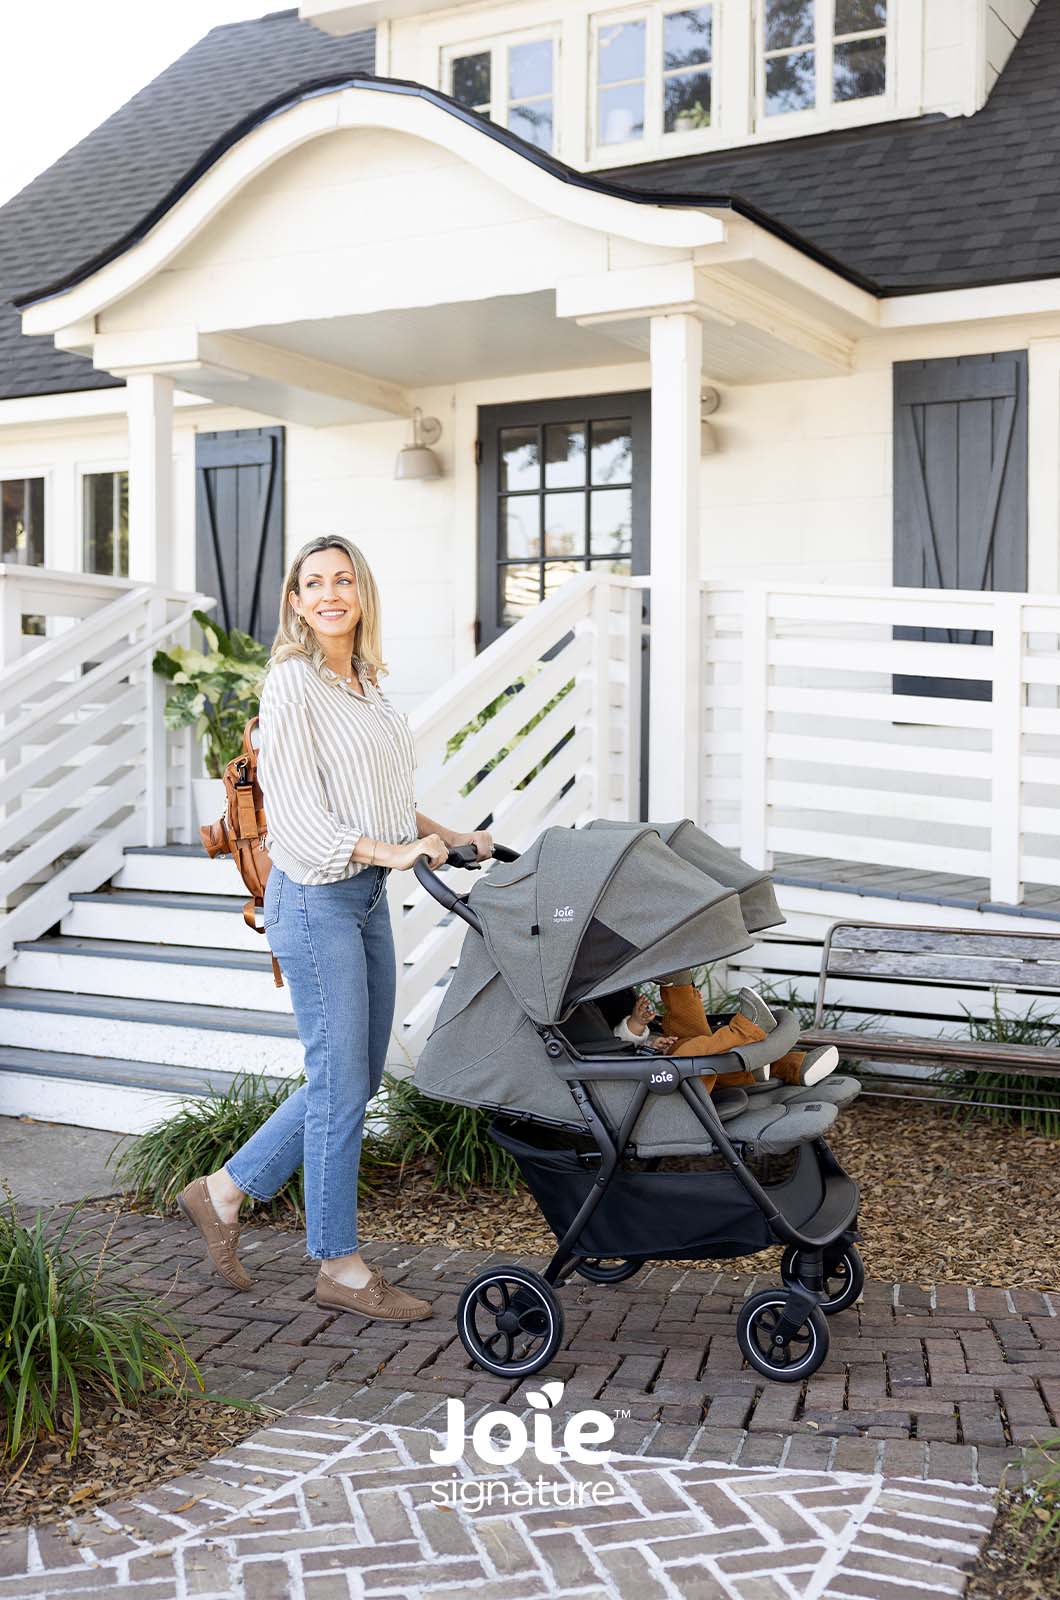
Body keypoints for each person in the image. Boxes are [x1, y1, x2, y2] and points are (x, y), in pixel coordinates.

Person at [178, 536, 491, 1322]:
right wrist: (392, 851)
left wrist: (448, 834)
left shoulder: (368, 685)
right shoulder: (291, 684)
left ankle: (222, 1192)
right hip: (314, 899)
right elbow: (296, 812)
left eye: (342, 579)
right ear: (294, 601)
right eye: (312, 582)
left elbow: (380, 792)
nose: (328, 593)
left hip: (361, 900)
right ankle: (339, 1266)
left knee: (351, 1074)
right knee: (342, 1078)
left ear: (362, 594)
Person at [612, 973, 839, 1095]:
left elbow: (632, 1043)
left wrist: (651, 1038)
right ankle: (748, 1030)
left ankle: (793, 1067)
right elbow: (617, 1047)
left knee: (694, 1037)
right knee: (692, 1053)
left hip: (667, 1062)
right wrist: (634, 1024)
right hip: (663, 1086)